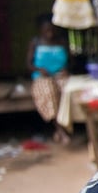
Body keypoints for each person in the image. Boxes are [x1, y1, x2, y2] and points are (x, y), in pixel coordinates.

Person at [27, 15, 71, 144]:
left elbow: (71, 62)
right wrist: (39, 70)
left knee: (67, 90)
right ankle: (60, 129)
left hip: (59, 75)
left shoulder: (62, 42)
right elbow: (29, 65)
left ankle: (66, 125)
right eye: (46, 30)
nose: (50, 33)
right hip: (42, 77)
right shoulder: (35, 43)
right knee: (49, 92)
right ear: (40, 30)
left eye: (52, 29)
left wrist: (66, 69)